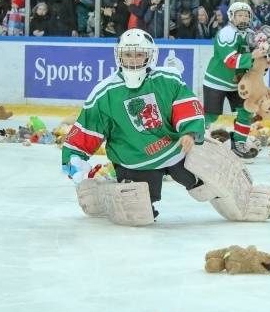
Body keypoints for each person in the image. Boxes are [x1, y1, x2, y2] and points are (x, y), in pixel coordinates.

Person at [62, 29, 207, 221]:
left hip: (174, 151)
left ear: (150, 55)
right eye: (128, 55)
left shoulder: (167, 79)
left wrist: (189, 132)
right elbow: (88, 128)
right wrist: (74, 159)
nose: (133, 60)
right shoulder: (104, 93)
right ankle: (110, 189)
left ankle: (232, 196)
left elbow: (185, 104)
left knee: (206, 184)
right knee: (139, 212)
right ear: (119, 55)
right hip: (134, 161)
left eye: (139, 55)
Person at [203, 2, 264, 159]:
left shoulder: (252, 34)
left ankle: (239, 144)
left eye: (246, 15)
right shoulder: (226, 33)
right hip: (217, 80)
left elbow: (260, 59)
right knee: (211, 115)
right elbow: (230, 61)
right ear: (232, 16)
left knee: (246, 111)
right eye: (240, 15)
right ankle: (193, 138)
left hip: (238, 83)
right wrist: (252, 56)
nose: (243, 18)